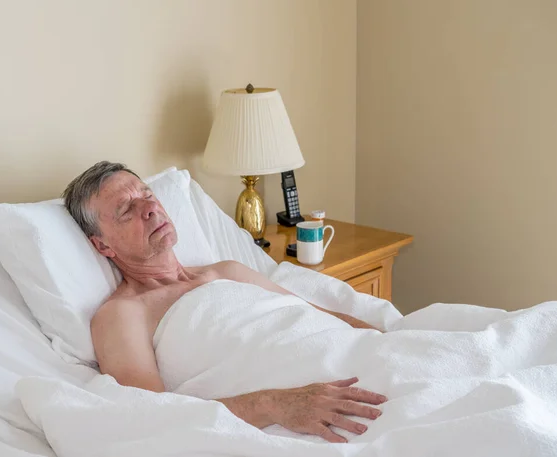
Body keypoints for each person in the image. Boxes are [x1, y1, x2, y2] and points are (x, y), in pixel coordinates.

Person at [63, 161, 387, 443]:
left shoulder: (228, 270)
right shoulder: (123, 314)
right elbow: (155, 418)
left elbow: (326, 317)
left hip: (365, 365)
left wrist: (390, 343)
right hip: (314, 411)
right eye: (125, 210)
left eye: (147, 194)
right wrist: (272, 404)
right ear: (102, 246)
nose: (149, 208)